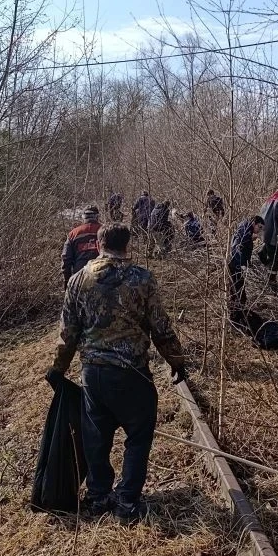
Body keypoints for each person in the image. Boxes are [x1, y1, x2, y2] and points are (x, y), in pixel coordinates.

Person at [48, 223, 186, 524]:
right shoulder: (142, 279)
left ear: (99, 245)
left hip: (94, 374)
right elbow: (160, 327)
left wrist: (58, 369)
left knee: (96, 436)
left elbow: (68, 332)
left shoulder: (78, 280)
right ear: (127, 246)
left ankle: (98, 497)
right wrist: (177, 361)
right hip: (132, 373)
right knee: (138, 435)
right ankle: (126, 501)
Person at [257, 184, 278, 285]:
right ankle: (271, 280)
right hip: (272, 233)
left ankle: (262, 253)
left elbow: (273, 217)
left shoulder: (269, 201)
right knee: (275, 258)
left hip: (264, 232)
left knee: (269, 249)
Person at [228, 215, 264, 312]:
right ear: (254, 223)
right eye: (259, 227)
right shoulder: (246, 230)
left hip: (235, 263)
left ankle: (236, 309)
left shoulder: (245, 228)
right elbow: (238, 246)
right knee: (238, 288)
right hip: (236, 264)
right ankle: (236, 310)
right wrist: (241, 264)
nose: (259, 230)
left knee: (236, 288)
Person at [61, 205, 102, 288]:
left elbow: (66, 259)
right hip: (103, 279)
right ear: (97, 216)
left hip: (79, 279)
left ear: (83, 217)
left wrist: (67, 281)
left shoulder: (73, 234)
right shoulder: (105, 231)